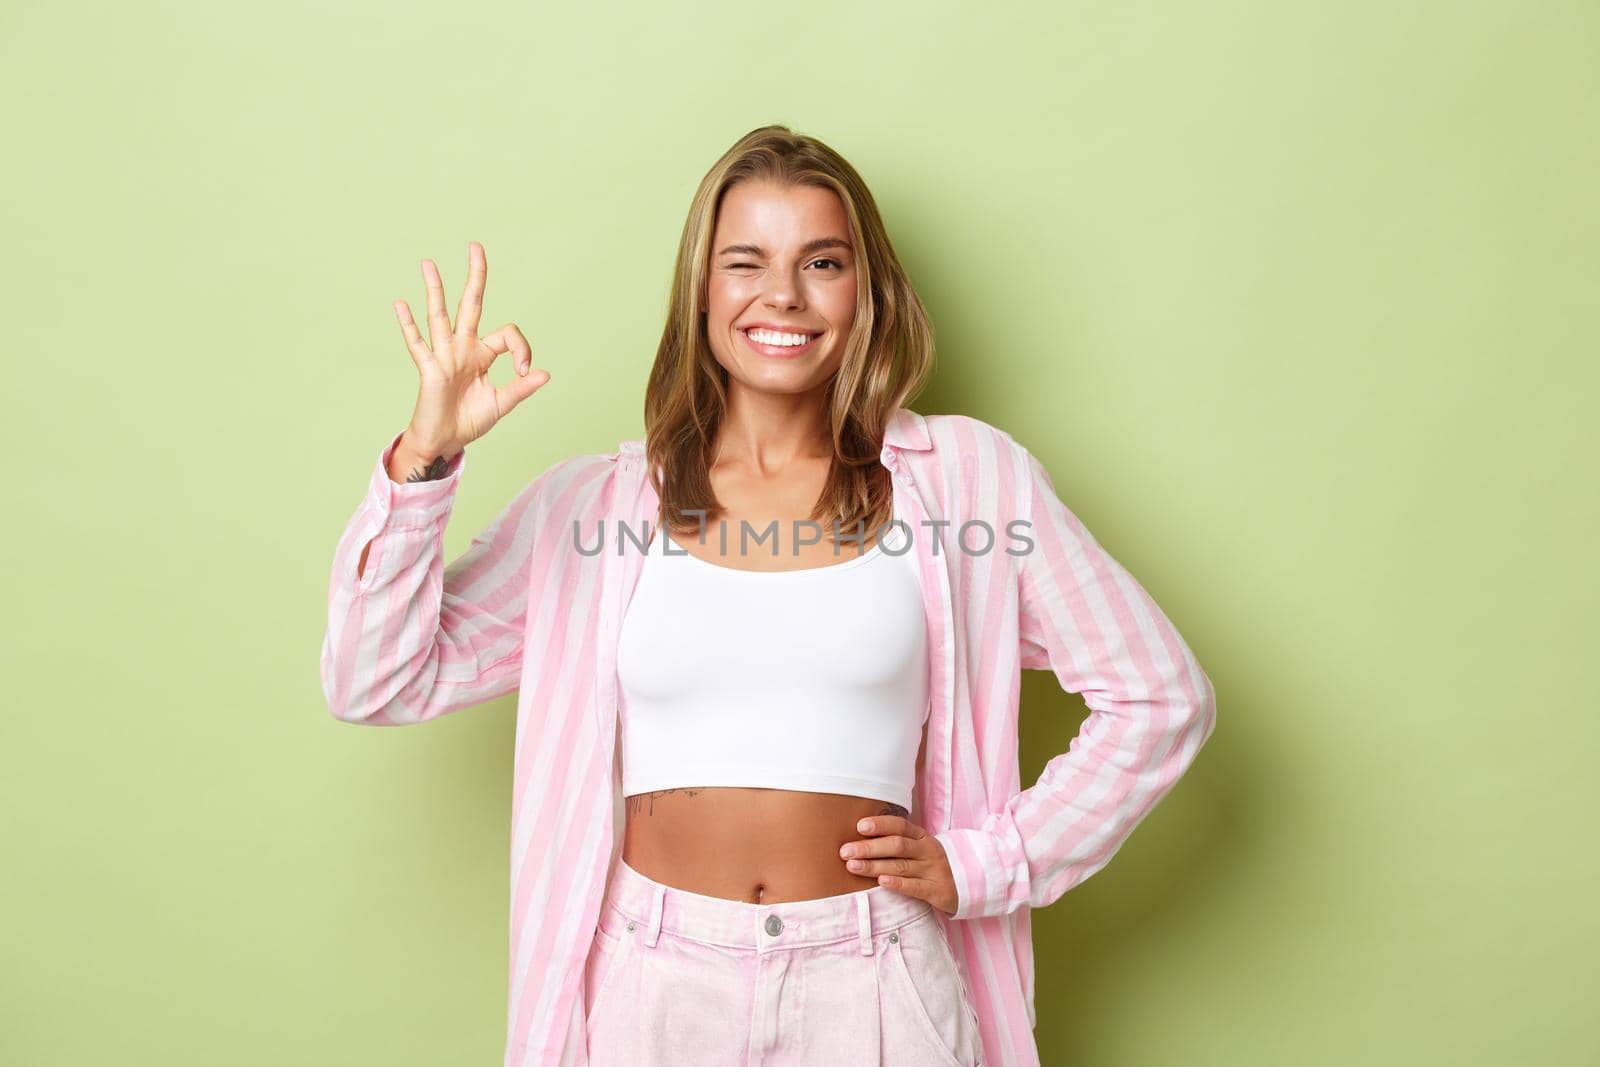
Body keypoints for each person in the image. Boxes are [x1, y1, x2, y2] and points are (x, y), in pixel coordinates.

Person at [320, 124, 1217, 1067]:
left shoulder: (970, 484)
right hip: (653, 983)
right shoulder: (594, 510)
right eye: (745, 261)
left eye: (821, 262)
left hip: (876, 979)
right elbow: (378, 679)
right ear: (702, 291)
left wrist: (990, 862)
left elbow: (1161, 696)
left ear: (864, 292)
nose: (781, 294)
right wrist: (422, 465)